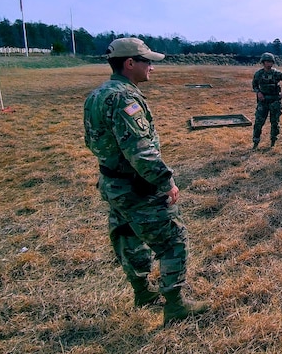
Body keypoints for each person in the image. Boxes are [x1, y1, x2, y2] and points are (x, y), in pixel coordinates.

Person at [83, 37, 209, 325]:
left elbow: (92, 141)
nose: (151, 66)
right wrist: (166, 182)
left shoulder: (98, 94)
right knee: (173, 240)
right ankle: (175, 305)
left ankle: (142, 291)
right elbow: (141, 152)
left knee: (128, 235)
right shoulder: (125, 98)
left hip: (113, 183)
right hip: (137, 184)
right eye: (147, 61)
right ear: (130, 63)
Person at [251, 52, 282, 149]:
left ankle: (273, 142)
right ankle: (255, 142)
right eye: (267, 61)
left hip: (275, 101)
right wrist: (258, 92)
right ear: (263, 62)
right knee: (258, 122)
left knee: (275, 123)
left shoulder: (277, 73)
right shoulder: (259, 74)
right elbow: (254, 85)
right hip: (263, 101)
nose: (269, 64)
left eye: (270, 62)